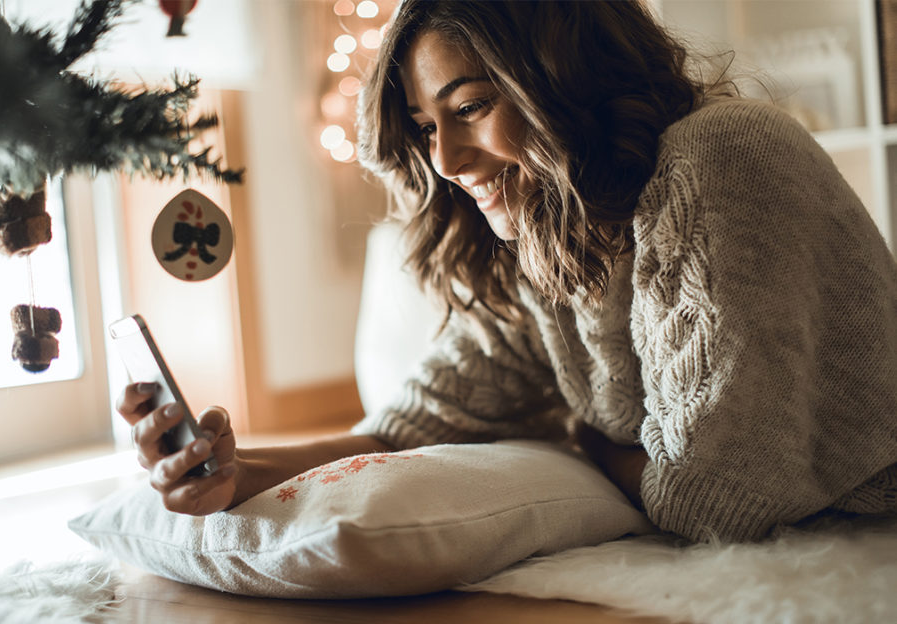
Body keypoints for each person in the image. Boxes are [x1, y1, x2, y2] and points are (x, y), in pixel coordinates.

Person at [117, 0, 897, 542]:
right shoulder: (554, 233)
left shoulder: (721, 155)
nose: (448, 162)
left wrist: (577, 438)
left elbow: (709, 501)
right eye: (426, 128)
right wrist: (238, 468)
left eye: (469, 107)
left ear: (564, 75)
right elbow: (406, 428)